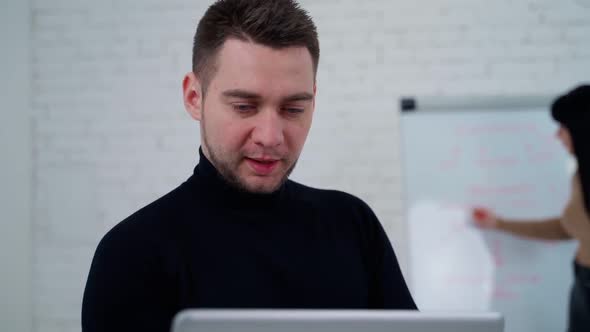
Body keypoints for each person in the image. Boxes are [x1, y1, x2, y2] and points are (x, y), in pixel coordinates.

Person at [81, 0, 416, 331]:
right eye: (244, 106)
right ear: (194, 97)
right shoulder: (132, 254)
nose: (270, 137)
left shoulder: (353, 226)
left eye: (293, 109)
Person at [472, 85, 590, 332]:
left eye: (563, 127)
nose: (558, 136)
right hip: (582, 281)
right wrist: (499, 223)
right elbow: (567, 227)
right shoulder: (580, 175)